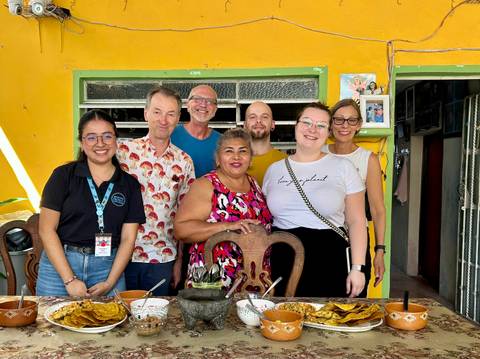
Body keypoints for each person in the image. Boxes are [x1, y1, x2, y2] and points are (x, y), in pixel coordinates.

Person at [263, 102, 367, 298]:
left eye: (320, 125)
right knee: (284, 321)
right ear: (296, 126)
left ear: (328, 132)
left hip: (328, 258)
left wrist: (357, 268)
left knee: (328, 321)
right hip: (282, 257)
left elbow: (357, 221)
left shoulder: (343, 167)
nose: (312, 130)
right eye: (307, 122)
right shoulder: (274, 170)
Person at [36, 110, 145, 297]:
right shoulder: (63, 176)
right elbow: (46, 229)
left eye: (107, 136)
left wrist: (110, 282)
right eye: (91, 137)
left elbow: (128, 239)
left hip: (108, 268)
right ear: (81, 142)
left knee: (111, 324)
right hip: (60, 267)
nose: (100, 143)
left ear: (116, 140)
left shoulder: (129, 184)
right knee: (51, 324)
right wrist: (69, 279)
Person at [117, 86, 195, 295]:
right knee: (119, 317)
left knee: (156, 319)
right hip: (121, 256)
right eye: (157, 112)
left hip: (163, 257)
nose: (163, 120)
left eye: (171, 114)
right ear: (145, 113)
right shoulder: (123, 153)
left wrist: (179, 261)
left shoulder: (184, 161)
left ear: (178, 117)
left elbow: (184, 215)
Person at [174, 128, 273, 290]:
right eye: (229, 151)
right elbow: (181, 230)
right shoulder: (206, 185)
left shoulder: (254, 184)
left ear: (250, 158)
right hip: (213, 284)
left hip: (253, 282)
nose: (236, 156)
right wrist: (228, 226)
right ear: (218, 158)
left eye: (243, 151)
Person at [323, 98, 386, 296]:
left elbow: (377, 209)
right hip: (322, 236)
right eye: (339, 120)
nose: (345, 126)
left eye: (351, 120)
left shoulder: (368, 159)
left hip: (354, 239)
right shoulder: (318, 153)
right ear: (331, 123)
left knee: (353, 298)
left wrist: (380, 251)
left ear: (358, 124)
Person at [171, 85, 221, 178]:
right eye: (197, 99)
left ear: (215, 110)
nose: (203, 104)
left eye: (210, 101)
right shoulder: (170, 135)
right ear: (187, 105)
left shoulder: (223, 142)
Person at [243, 101, 286, 186]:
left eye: (265, 117)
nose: (258, 121)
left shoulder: (286, 162)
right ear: (244, 125)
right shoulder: (234, 162)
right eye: (252, 117)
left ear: (273, 124)